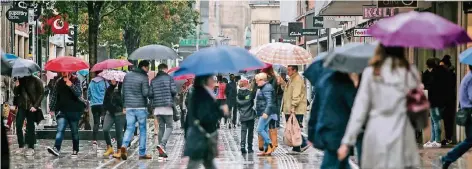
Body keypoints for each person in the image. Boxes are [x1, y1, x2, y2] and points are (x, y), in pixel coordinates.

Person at [337, 44, 421, 169]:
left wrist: (347, 141)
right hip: (403, 130)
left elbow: (360, 110)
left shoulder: (371, 72)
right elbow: (417, 108)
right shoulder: (410, 72)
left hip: (376, 131)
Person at [309, 70, 357, 169]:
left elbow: (315, 109)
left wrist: (311, 134)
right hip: (341, 132)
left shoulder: (323, 81)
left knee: (339, 163)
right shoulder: (346, 84)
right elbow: (354, 108)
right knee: (333, 163)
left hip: (327, 130)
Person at [184, 75, 229, 168]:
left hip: (201, 135)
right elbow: (205, 117)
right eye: (212, 78)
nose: (214, 80)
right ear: (205, 80)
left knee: (208, 163)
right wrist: (222, 112)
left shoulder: (201, 92)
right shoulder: (202, 95)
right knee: (194, 164)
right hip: (200, 136)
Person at [47, 72, 85, 158]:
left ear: (70, 71)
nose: (64, 72)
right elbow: (54, 95)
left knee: (74, 131)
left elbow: (79, 93)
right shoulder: (58, 82)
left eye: (66, 70)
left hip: (74, 110)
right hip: (62, 110)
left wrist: (71, 85)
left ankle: (75, 149)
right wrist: (51, 108)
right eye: (63, 71)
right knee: (60, 129)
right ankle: (56, 148)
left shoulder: (76, 80)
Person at [441, 64, 472, 169]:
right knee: (470, 140)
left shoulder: (468, 76)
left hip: (468, 111)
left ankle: (448, 158)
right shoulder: (471, 78)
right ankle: (448, 158)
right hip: (470, 112)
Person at [120, 60, 152, 160]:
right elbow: (145, 93)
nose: (148, 70)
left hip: (129, 106)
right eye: (148, 67)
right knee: (142, 130)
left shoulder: (127, 75)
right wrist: (150, 90)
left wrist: (124, 105)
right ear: (143, 67)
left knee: (129, 128)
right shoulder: (144, 77)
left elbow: (122, 92)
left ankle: (124, 146)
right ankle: (142, 153)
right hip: (140, 107)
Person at [279, 65, 309, 152]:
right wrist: (283, 83)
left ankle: (303, 143)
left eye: (289, 70)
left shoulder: (297, 80)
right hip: (289, 108)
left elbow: (296, 94)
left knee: (295, 128)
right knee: (292, 128)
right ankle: (297, 147)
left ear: (294, 70)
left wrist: (293, 106)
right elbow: (287, 90)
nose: (287, 72)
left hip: (296, 109)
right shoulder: (291, 79)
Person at [149, 63, 177, 159]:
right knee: (170, 126)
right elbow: (174, 91)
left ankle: (161, 151)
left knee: (161, 127)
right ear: (165, 69)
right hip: (167, 106)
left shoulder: (153, 80)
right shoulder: (169, 79)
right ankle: (162, 144)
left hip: (157, 107)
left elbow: (150, 94)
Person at [13, 75, 44, 156]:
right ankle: (21, 146)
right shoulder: (20, 80)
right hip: (22, 106)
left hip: (31, 107)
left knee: (30, 127)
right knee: (18, 125)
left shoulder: (36, 80)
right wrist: (16, 86)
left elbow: (41, 94)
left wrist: (35, 106)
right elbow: (16, 93)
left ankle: (31, 147)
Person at [424, 58, 450, 148]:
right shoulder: (441, 72)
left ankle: (437, 140)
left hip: (435, 101)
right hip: (440, 101)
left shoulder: (435, 74)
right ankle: (433, 139)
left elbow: (431, 86)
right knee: (433, 120)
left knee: (436, 120)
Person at [102, 80, 125, 158]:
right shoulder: (109, 88)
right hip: (109, 113)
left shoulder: (122, 88)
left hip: (119, 113)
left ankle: (119, 150)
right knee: (105, 129)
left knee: (119, 133)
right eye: (111, 79)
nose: (112, 80)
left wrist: (117, 94)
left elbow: (123, 101)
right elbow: (105, 101)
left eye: (114, 79)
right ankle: (109, 147)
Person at [255, 73, 277, 156]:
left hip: (267, 112)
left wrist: (266, 112)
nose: (256, 82)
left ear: (261, 80)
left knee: (259, 129)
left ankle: (270, 144)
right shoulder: (263, 87)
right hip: (264, 112)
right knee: (264, 129)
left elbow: (269, 102)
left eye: (257, 81)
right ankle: (266, 149)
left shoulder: (267, 87)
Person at [88, 72, 108, 148]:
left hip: (94, 105)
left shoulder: (91, 82)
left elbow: (89, 94)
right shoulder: (104, 82)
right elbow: (108, 91)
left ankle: (94, 140)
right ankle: (107, 138)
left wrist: (91, 99)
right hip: (102, 104)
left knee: (96, 122)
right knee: (104, 121)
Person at [237, 78, 257, 154]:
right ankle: (250, 147)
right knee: (250, 132)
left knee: (243, 131)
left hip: (242, 115)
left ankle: (242, 146)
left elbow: (238, 105)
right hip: (250, 115)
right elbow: (252, 102)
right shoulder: (249, 93)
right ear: (246, 84)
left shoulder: (238, 94)